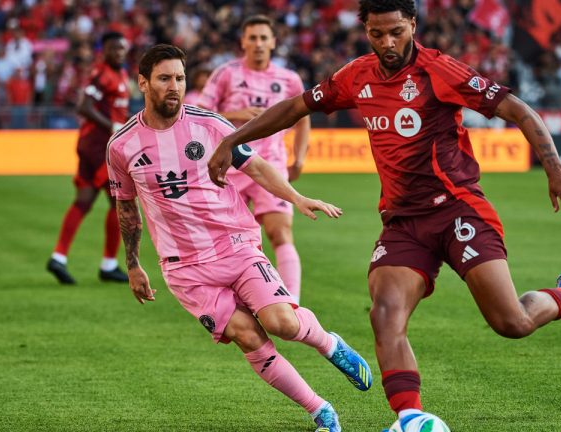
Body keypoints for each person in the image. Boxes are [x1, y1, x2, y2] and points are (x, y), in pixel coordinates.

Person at [206, 1, 561, 429]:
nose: (387, 43)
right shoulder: (356, 76)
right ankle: (411, 417)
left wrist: (555, 169)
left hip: (458, 208)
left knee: (511, 322)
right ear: (365, 30)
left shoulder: (440, 70)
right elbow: (294, 108)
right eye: (376, 34)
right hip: (404, 222)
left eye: (396, 32)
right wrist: (232, 139)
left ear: (413, 26)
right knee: (384, 312)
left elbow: (517, 108)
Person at [107, 44, 371, 432]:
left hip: (235, 245)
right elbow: (126, 208)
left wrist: (296, 198)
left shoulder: (210, 125)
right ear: (143, 82)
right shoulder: (122, 146)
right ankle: (321, 411)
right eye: (164, 79)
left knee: (281, 321)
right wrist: (132, 264)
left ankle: (330, 345)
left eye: (179, 78)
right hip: (185, 268)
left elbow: (256, 166)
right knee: (248, 336)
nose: (174, 86)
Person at [198, 15, 310, 304]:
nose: (258, 44)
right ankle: (237, 299)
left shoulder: (288, 79)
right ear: (243, 42)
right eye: (253, 38)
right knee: (229, 241)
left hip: (270, 163)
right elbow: (201, 111)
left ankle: (292, 302)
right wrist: (236, 115)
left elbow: (302, 119)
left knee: (279, 231)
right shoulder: (225, 73)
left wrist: (299, 157)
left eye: (264, 38)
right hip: (230, 166)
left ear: (273, 42)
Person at [46, 32, 131, 285]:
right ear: (102, 50)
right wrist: (114, 127)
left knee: (84, 200)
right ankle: (108, 264)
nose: (119, 53)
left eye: (122, 48)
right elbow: (84, 107)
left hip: (96, 145)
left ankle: (58, 257)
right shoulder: (100, 74)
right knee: (121, 200)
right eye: (114, 48)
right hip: (98, 146)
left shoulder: (122, 75)